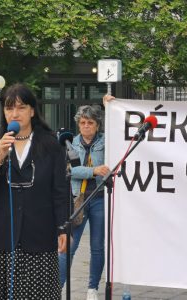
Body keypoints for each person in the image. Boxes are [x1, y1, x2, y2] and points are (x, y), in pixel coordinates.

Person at [0, 83, 67, 300]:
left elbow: (60, 191)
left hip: (40, 234)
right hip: (3, 236)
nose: (14, 113)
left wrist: (63, 228)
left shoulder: (51, 144)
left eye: (21, 107)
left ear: (32, 110)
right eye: (9, 108)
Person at [59, 103, 111, 300]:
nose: (86, 126)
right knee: (68, 246)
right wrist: (94, 171)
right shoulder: (70, 144)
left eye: (90, 122)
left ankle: (92, 288)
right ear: (78, 124)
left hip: (99, 199)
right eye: (83, 122)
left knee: (97, 247)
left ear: (97, 125)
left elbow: (109, 169)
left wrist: (109, 104)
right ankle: (58, 287)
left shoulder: (106, 143)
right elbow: (70, 171)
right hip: (77, 200)